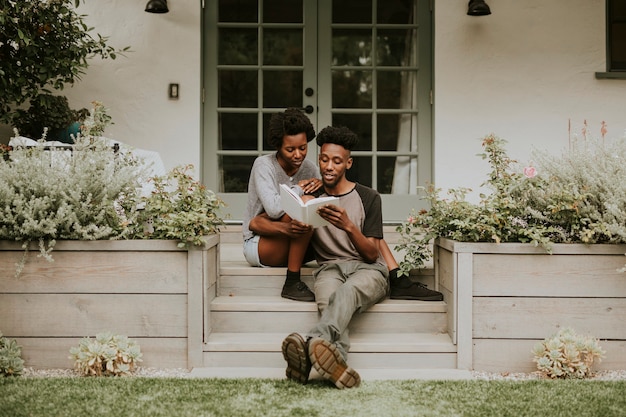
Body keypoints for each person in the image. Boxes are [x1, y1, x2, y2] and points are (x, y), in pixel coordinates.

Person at [281, 125, 389, 389]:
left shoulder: (369, 197)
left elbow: (372, 253)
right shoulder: (312, 196)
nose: (329, 166)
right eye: (324, 159)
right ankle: (337, 366)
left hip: (369, 270)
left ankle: (308, 348)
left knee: (344, 295)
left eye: (337, 161)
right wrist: (298, 201)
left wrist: (348, 226)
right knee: (328, 299)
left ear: (348, 163)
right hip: (329, 268)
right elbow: (285, 223)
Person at [242, 108, 322, 302]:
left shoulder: (310, 168)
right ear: (278, 146)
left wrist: (321, 189)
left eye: (303, 148)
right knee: (304, 203)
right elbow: (274, 209)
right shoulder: (264, 165)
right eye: (290, 149)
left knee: (312, 208)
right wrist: (300, 188)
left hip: (295, 235)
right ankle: (292, 281)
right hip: (259, 243)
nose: (298, 154)